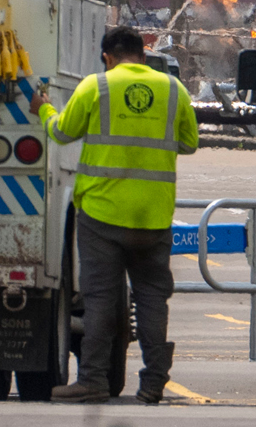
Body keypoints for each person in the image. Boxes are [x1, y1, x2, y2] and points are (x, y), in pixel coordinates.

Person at [42, 24, 199, 404]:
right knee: (151, 300)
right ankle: (153, 383)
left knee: (100, 300)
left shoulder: (96, 87)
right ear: (144, 55)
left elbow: (62, 132)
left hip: (102, 214)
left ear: (107, 58)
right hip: (154, 216)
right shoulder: (173, 90)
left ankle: (93, 380)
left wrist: (44, 109)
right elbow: (189, 143)